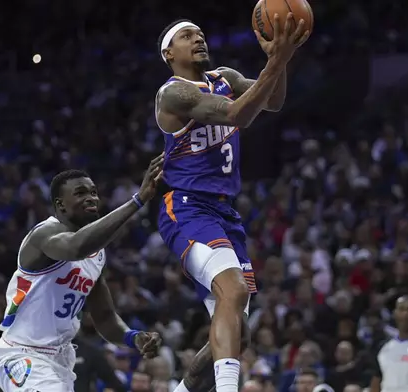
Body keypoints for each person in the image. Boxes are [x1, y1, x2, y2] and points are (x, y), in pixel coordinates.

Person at [155, 14, 310, 392]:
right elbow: (238, 114)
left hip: (225, 211)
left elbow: (272, 101)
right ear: (168, 53)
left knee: (238, 334)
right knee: (234, 291)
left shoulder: (225, 77)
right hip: (188, 207)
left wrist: (281, 58)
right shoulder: (173, 93)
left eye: (201, 34)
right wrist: (276, 61)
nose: (198, 39)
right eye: (188, 36)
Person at [0, 156, 165, 392]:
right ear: (60, 204)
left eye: (93, 192)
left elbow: (104, 317)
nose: (91, 197)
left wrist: (134, 337)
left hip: (61, 359)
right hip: (22, 353)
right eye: (81, 193)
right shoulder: (44, 235)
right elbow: (76, 247)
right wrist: (138, 200)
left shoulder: (97, 255)